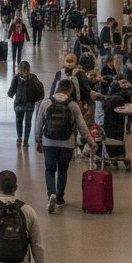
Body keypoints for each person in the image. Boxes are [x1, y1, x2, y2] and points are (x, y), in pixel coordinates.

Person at [34, 77, 91, 212]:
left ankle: (51, 194)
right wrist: (90, 141)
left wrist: (38, 140)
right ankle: (59, 197)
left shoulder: (46, 103)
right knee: (62, 170)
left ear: (57, 88)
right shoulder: (72, 105)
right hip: (67, 143)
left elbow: (38, 124)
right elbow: (82, 126)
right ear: (70, 90)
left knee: (49, 170)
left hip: (49, 142)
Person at [7, 60, 44, 148]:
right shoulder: (33, 77)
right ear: (29, 68)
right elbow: (39, 87)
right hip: (30, 104)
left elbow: (12, 90)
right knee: (28, 122)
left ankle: (19, 138)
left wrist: (10, 94)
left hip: (18, 103)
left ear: (19, 69)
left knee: (18, 121)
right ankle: (26, 141)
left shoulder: (16, 78)